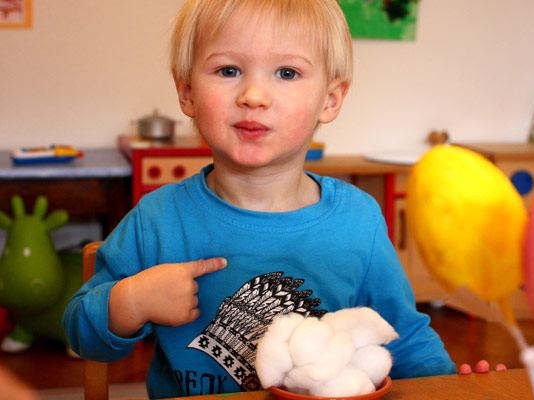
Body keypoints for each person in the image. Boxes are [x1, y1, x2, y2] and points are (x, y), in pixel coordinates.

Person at [64, 0, 461, 397]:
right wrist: (131, 302)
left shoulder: (358, 221)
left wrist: (457, 387)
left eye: (287, 73)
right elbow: (83, 335)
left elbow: (403, 338)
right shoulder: (157, 219)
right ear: (186, 92)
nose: (254, 95)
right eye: (228, 70)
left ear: (331, 99)